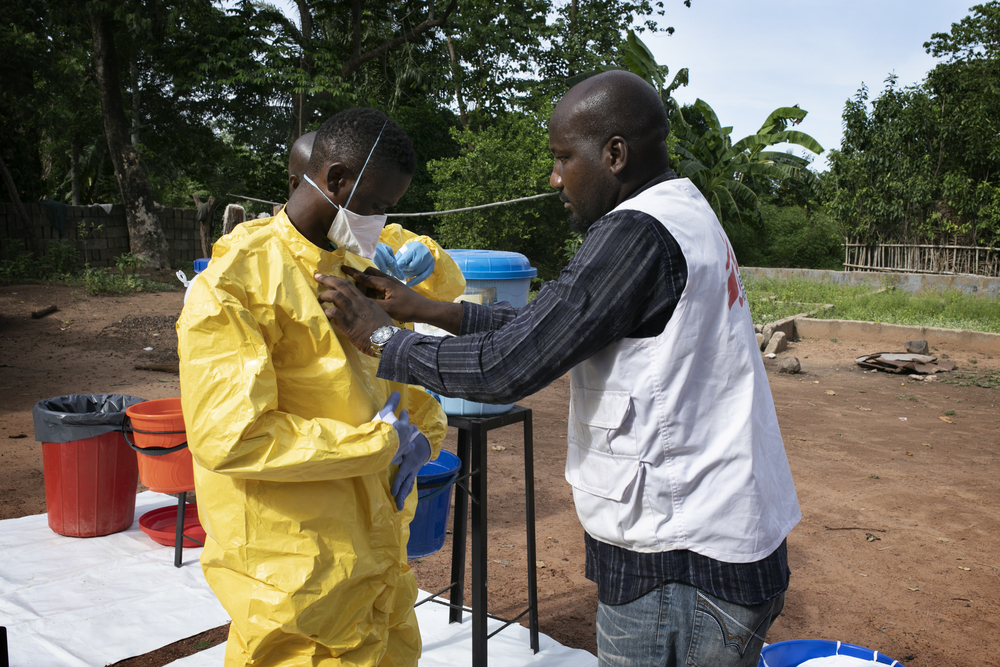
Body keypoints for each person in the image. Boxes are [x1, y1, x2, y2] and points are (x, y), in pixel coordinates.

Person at [314, 71, 801, 667]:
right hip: (705, 539)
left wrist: (382, 339)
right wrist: (427, 308)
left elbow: (510, 367)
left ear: (614, 155)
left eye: (563, 157)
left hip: (680, 564)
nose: (554, 178)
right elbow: (555, 323)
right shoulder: (680, 211)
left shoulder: (636, 232)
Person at [177, 108, 450, 667]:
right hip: (296, 570)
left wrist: (423, 433)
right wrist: (383, 444)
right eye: (375, 205)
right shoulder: (233, 287)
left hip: (377, 550)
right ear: (337, 179)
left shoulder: (353, 266)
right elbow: (234, 438)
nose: (380, 222)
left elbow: (391, 377)